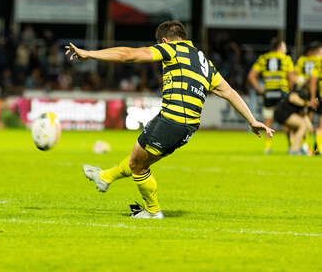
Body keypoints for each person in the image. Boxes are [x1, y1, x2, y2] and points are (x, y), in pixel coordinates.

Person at [65, 21, 273, 219]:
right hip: (187, 126)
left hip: (173, 119)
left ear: (164, 41)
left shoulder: (172, 49)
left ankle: (153, 211)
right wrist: (252, 120)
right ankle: (105, 178)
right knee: (139, 158)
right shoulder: (204, 63)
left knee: (138, 166)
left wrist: (89, 54)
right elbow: (229, 91)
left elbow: (128, 55)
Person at [247, 38, 296, 154]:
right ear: (279, 47)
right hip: (282, 93)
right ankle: (291, 146)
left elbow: (251, 76)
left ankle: (268, 147)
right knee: (287, 121)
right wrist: (290, 90)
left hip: (268, 93)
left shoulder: (263, 58)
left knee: (267, 121)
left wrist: (260, 89)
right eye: (284, 47)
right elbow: (291, 78)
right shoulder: (286, 59)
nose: (285, 50)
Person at [294, 41, 321, 153]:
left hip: (305, 92)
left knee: (306, 119)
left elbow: (296, 74)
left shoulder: (302, 60)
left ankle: (306, 145)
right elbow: (314, 78)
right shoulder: (318, 60)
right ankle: (316, 148)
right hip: (315, 92)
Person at [274, 82, 313, 155]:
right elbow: (293, 98)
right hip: (283, 113)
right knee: (302, 125)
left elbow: (304, 116)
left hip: (282, 114)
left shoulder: (303, 96)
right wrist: (307, 103)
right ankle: (294, 149)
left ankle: (292, 147)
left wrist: (310, 127)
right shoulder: (299, 93)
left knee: (296, 127)